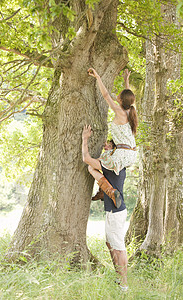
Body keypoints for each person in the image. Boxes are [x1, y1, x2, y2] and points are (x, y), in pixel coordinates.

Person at [83, 68, 138, 208]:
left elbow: (106, 95)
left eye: (119, 96)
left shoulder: (120, 112)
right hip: (131, 154)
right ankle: (103, 190)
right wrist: (126, 81)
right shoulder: (132, 111)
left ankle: (109, 191)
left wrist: (98, 77)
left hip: (121, 155)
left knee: (91, 167)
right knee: (105, 155)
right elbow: (128, 97)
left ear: (120, 100)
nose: (117, 96)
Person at [82, 128, 128, 291]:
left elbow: (86, 159)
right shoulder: (116, 164)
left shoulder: (111, 165)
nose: (105, 148)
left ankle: (123, 284)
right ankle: (119, 277)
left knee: (119, 247)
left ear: (115, 150)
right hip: (112, 211)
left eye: (108, 146)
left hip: (116, 212)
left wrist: (85, 138)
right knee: (110, 243)